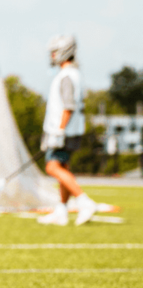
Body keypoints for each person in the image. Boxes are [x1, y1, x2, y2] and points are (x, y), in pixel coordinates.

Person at [38, 35, 97, 226]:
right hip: (71, 130)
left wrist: (59, 130)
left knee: (52, 167)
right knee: (63, 167)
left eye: (54, 52)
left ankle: (84, 201)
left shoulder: (66, 76)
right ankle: (61, 210)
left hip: (63, 131)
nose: (52, 56)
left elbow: (68, 106)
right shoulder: (75, 74)